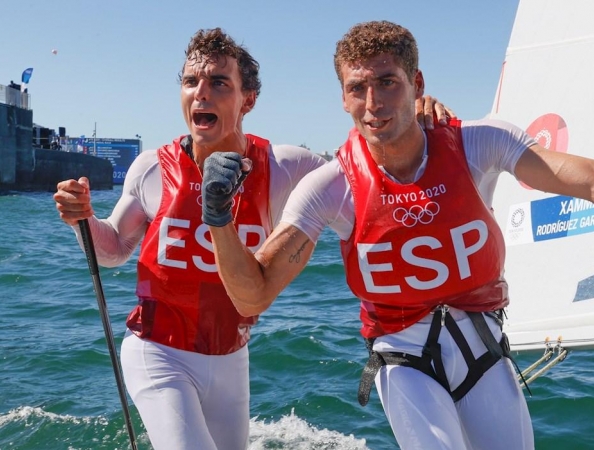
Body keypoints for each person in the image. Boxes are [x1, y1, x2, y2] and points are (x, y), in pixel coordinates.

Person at [202, 21, 594, 450]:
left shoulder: (479, 144)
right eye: (357, 88)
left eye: (386, 83)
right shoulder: (331, 187)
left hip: (484, 351)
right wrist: (220, 220)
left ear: (416, 82)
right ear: (342, 96)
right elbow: (252, 295)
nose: (372, 102)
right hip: (404, 361)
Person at [53, 27, 453, 450]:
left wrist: (415, 116)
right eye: (191, 82)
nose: (201, 94)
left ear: (248, 100)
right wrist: (83, 219)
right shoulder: (154, 168)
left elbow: (368, 167)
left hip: (230, 359)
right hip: (158, 352)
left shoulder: (285, 166)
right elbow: (113, 249)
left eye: (219, 83)